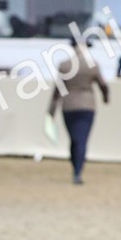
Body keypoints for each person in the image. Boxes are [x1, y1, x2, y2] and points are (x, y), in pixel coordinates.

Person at [47, 39, 110, 184]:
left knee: (74, 139)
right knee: (82, 139)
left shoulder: (64, 65)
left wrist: (51, 110)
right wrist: (106, 97)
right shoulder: (92, 65)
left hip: (69, 105)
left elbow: (58, 89)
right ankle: (78, 171)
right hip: (87, 105)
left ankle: (76, 167)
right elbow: (103, 85)